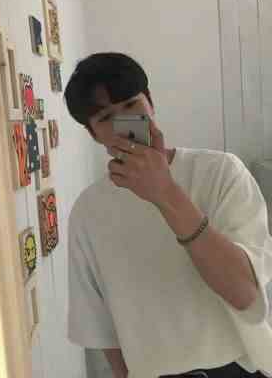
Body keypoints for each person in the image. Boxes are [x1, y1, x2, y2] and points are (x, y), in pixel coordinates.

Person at [64, 53, 272, 378]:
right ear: (93, 133)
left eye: (131, 104)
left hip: (239, 368)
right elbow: (100, 326)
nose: (124, 121)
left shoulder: (222, 173)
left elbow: (245, 294)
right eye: (105, 117)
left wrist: (164, 192)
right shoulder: (88, 211)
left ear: (150, 102)